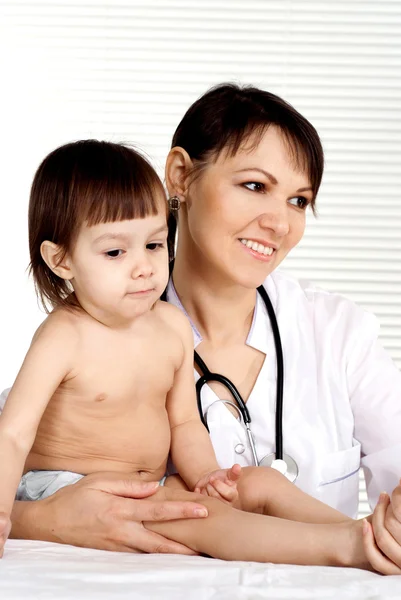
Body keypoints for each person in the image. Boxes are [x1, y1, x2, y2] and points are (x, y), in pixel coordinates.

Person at [2, 83, 401, 569]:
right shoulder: (78, 332)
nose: (279, 222)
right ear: (180, 177)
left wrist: (212, 474)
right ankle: (348, 547)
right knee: (196, 512)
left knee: (258, 484)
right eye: (255, 185)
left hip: (169, 487)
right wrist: (32, 519)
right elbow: (14, 439)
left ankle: (356, 535)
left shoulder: (334, 331)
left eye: (299, 200)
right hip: (101, 498)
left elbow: (187, 424)